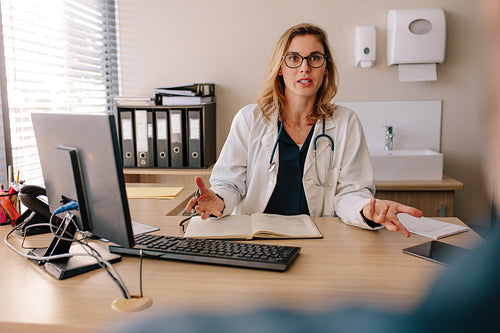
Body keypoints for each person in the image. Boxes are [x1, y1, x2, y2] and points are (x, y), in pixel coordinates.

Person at [186, 23, 422, 237]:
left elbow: (350, 192)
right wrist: (217, 200)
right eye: (294, 58)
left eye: (315, 58)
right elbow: (229, 183)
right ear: (280, 67)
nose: (305, 68)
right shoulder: (250, 119)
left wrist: (366, 209)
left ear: (326, 68)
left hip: (319, 239)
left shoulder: (346, 122)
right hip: (257, 238)